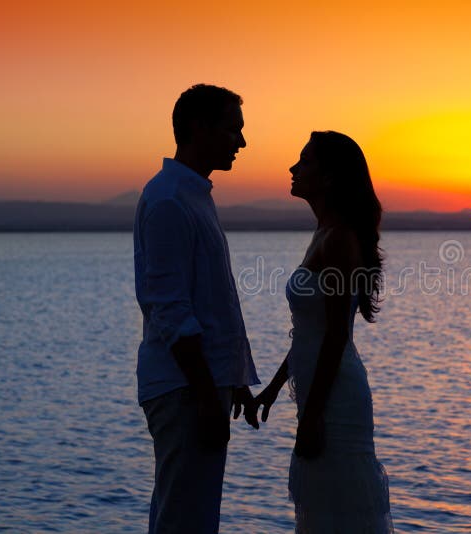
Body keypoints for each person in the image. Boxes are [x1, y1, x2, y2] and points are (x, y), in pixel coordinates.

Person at [248, 131, 393, 533]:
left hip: (336, 399)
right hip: (318, 392)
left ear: (329, 177)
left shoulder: (340, 240)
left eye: (305, 161)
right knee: (322, 513)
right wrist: (274, 389)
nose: (293, 169)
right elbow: (307, 332)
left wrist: (311, 418)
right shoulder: (324, 233)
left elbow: (334, 337)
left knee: (340, 513)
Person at [133, 84, 260, 534]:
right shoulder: (169, 200)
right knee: (183, 520)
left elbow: (214, 301)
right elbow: (169, 308)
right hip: (185, 388)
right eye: (232, 130)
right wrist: (208, 394)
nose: (241, 143)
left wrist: (234, 378)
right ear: (198, 128)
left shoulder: (193, 195)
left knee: (193, 515)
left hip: (202, 385)